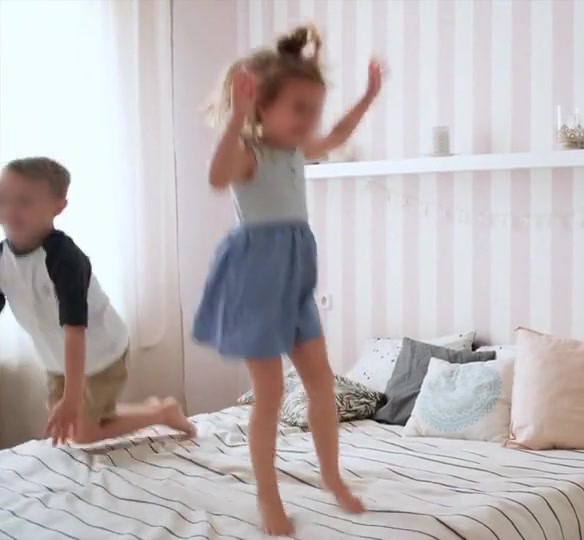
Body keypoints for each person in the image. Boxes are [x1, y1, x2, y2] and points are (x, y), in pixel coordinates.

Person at [193, 24, 380, 535]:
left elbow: (336, 136)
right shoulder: (249, 153)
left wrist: (367, 96)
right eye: (299, 109)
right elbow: (215, 176)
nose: (309, 121)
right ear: (261, 106)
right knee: (270, 395)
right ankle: (268, 497)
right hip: (256, 281)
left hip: (296, 281)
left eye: (313, 109)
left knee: (322, 382)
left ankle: (331, 476)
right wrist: (237, 116)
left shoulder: (296, 149)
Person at [0, 157, 194, 446]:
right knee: (68, 426)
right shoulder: (3, 257)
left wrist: (72, 396)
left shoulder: (64, 259)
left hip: (99, 352)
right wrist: (69, 397)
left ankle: (161, 413)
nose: (10, 210)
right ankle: (156, 410)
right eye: (3, 199)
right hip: (56, 358)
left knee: (82, 433)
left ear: (58, 207)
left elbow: (75, 329)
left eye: (24, 202)